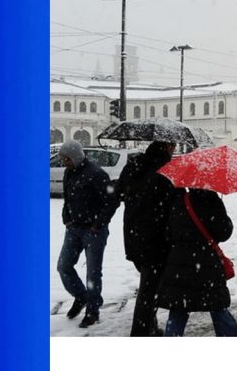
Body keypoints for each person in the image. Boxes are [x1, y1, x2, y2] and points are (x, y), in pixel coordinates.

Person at [157, 188, 237, 337]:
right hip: (207, 267)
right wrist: (224, 218)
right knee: (218, 308)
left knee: (177, 312)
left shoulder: (178, 200)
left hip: (179, 267)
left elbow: (168, 233)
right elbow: (224, 232)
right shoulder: (212, 200)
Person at [56, 140, 119, 328]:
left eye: (65, 159)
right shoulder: (69, 172)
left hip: (94, 231)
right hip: (74, 228)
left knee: (93, 273)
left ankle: (93, 310)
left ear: (74, 157)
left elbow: (112, 202)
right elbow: (67, 198)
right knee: (64, 266)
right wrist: (66, 216)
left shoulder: (97, 174)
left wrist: (98, 224)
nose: (63, 162)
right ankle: (81, 296)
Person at [116, 141, 176, 336]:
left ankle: (149, 326)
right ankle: (140, 333)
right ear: (166, 149)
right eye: (172, 147)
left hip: (134, 238)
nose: (174, 150)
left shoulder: (133, 166)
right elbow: (173, 206)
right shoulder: (166, 172)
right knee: (149, 292)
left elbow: (119, 194)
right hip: (156, 241)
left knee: (149, 286)